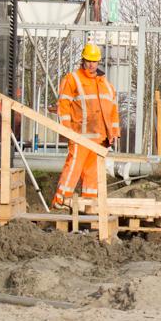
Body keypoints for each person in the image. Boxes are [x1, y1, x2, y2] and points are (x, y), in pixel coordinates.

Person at [54, 42, 121, 209]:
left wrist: (113, 133)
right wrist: (67, 129)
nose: (91, 64)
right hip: (79, 135)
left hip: (100, 138)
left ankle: (89, 206)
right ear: (82, 60)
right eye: (88, 61)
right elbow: (63, 105)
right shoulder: (73, 79)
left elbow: (113, 111)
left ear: (99, 62)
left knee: (92, 174)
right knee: (73, 169)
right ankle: (60, 202)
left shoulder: (107, 85)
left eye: (94, 61)